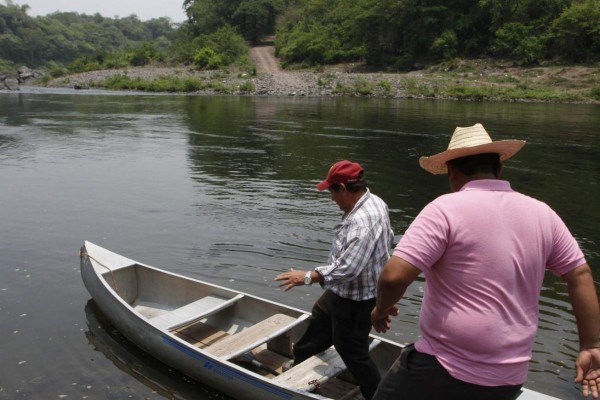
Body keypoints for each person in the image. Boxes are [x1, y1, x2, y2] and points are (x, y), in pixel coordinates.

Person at [370, 123, 600, 400]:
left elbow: (393, 277)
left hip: (443, 369)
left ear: (452, 172)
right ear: (499, 169)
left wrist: (380, 310)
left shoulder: (444, 209)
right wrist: (590, 344)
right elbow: (580, 275)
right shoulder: (543, 213)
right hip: (509, 378)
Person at [275, 159, 394, 399]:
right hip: (343, 291)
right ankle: (299, 364)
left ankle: (377, 396)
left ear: (342, 188)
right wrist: (387, 296)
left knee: (353, 352)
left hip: (357, 300)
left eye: (332, 192)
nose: (331, 199)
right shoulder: (374, 201)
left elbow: (349, 268)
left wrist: (306, 277)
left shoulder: (363, 222)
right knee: (320, 318)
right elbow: (385, 250)